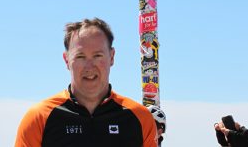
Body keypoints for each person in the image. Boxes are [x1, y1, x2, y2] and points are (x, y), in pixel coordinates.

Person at [15, 18, 158, 147]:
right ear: (66, 60)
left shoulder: (140, 117)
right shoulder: (39, 118)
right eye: (80, 56)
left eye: (97, 55)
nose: (89, 67)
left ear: (112, 57)